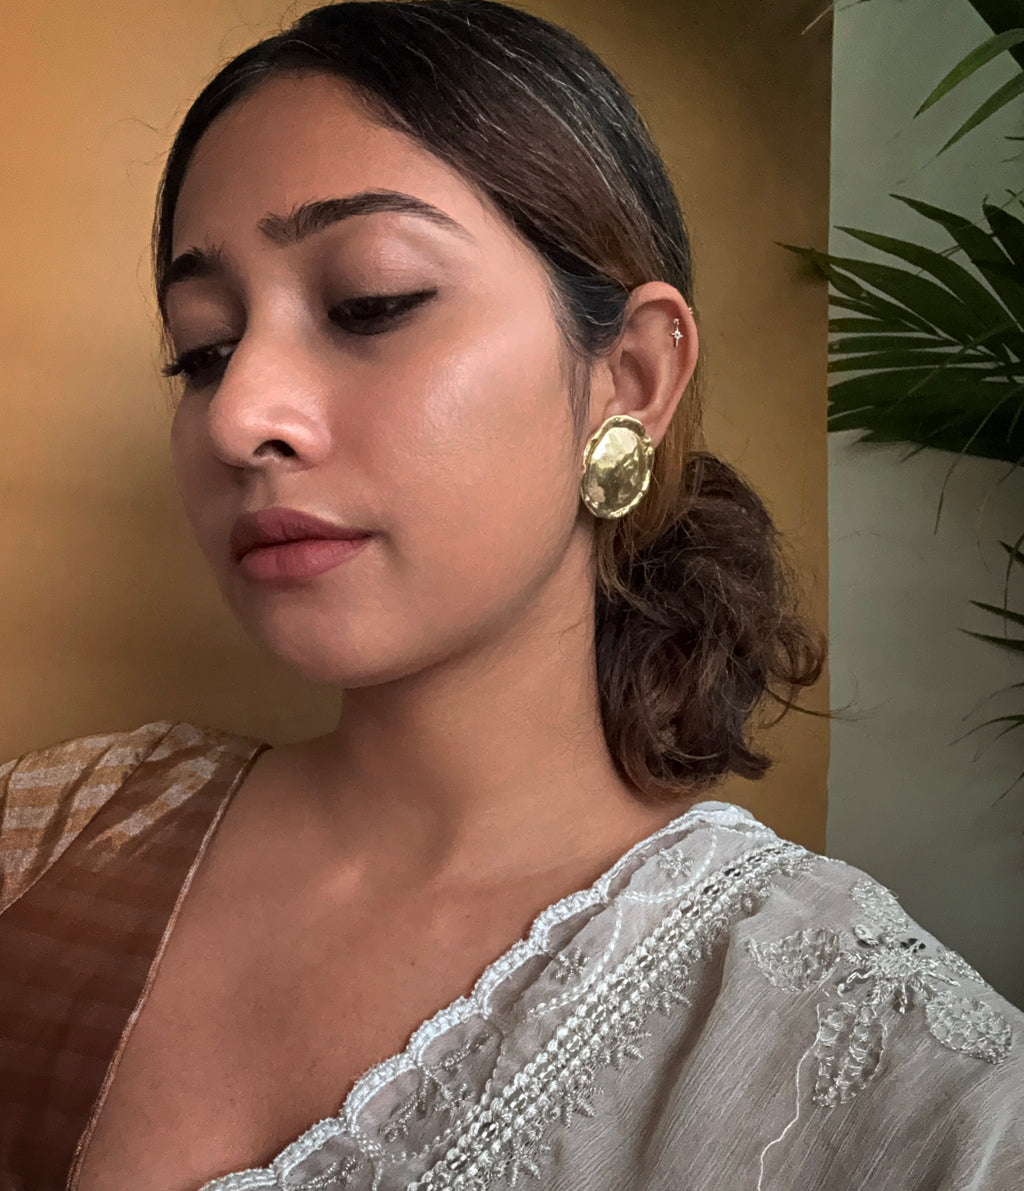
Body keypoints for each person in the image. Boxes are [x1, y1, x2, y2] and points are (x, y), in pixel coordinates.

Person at [0, 1, 1020, 1188]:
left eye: (370, 302)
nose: (237, 416)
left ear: (629, 377)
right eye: (203, 348)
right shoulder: (66, 833)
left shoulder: (878, 1078)